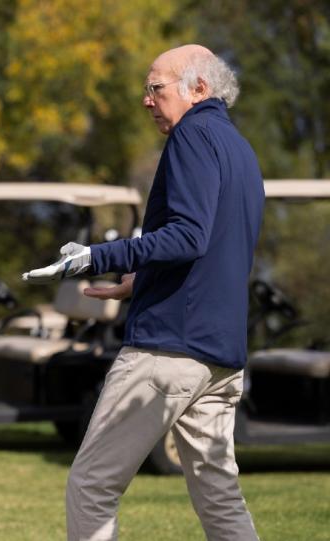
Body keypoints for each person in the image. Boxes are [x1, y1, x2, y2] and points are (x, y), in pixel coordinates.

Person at [23, 44, 263, 540]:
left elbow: (188, 236)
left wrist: (93, 257)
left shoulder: (193, 135)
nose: (147, 101)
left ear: (198, 88)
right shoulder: (239, 148)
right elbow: (213, 247)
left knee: (92, 485)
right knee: (220, 499)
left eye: (155, 88)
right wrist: (143, 278)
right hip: (220, 357)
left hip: (167, 349)